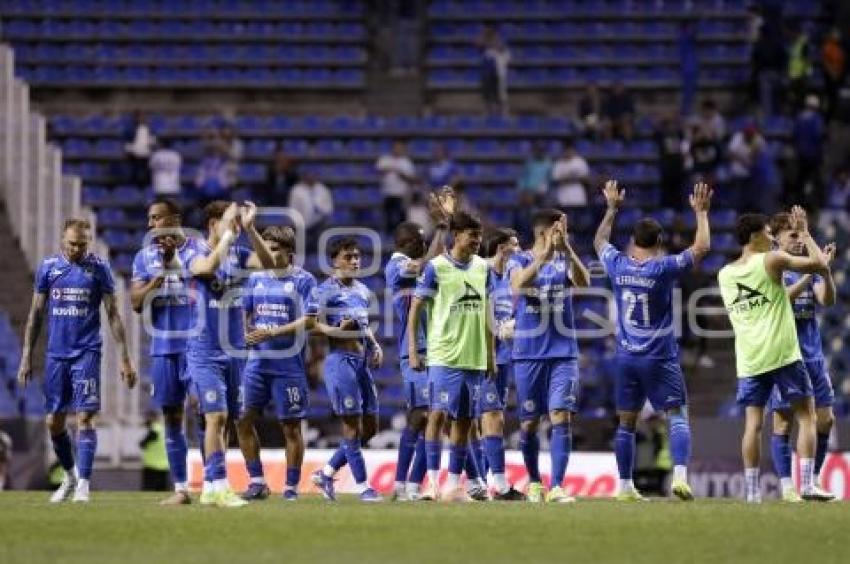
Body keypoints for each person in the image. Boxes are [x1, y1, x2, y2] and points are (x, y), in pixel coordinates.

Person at [594, 180, 713, 502]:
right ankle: (680, 477)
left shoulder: (617, 265)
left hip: (626, 356)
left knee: (626, 423)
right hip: (659, 356)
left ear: (633, 240)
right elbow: (701, 249)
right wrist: (701, 214)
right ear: (659, 243)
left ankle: (624, 486)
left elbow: (599, 240)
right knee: (676, 414)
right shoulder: (662, 267)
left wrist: (611, 208)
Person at [717, 208, 834, 503]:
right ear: (760, 236)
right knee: (798, 418)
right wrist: (807, 237)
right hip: (782, 352)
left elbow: (783, 296)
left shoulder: (726, 274)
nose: (771, 237)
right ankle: (799, 485)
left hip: (755, 358)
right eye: (770, 233)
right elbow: (815, 267)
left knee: (756, 424)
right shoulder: (774, 261)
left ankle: (755, 493)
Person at [17, 218, 137, 503]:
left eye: (82, 244)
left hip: (87, 352)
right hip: (56, 354)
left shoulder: (100, 269)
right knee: (54, 423)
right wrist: (26, 357)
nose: (76, 249)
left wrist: (125, 359)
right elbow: (35, 315)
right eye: (72, 244)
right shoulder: (48, 268)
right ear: (62, 240)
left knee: (85, 417)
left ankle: (84, 484)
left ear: (89, 241)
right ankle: (70, 477)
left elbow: (113, 315)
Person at [186, 200, 275, 508]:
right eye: (230, 220)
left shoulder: (239, 255)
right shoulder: (192, 250)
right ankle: (221, 485)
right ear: (213, 223)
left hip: (236, 351)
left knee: (224, 422)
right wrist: (228, 237)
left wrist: (250, 229)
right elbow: (206, 268)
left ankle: (211, 487)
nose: (235, 226)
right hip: (204, 349)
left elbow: (271, 264)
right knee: (216, 415)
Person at [407, 211, 495, 502]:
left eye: (479, 236)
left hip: (474, 357)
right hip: (444, 355)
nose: (477, 241)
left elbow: (488, 314)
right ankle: (431, 483)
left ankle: (454, 485)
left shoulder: (483, 268)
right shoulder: (437, 267)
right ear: (456, 235)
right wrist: (412, 352)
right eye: (472, 235)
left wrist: (490, 357)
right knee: (437, 415)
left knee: (466, 422)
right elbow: (415, 309)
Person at [508, 209, 591, 503]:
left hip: (563, 353)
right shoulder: (519, 259)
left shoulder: (563, 259)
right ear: (544, 232)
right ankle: (534, 482)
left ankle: (556, 486)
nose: (564, 233)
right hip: (529, 354)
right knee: (529, 423)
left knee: (561, 417)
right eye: (560, 229)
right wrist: (544, 256)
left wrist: (566, 248)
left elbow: (584, 283)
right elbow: (517, 285)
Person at [130, 197, 205, 505]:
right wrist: (157, 280)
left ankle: (214, 482)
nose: (151, 224)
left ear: (175, 218)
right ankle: (181, 488)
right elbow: (136, 303)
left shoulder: (200, 250)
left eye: (157, 218)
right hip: (163, 346)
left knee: (206, 412)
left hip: (198, 344)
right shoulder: (144, 257)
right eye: (149, 218)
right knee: (171, 417)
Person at [237, 226, 317, 501]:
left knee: (291, 428)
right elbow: (245, 313)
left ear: (289, 252)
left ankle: (291, 487)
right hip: (257, 364)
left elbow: (311, 320)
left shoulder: (304, 280)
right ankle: (257, 482)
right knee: (243, 420)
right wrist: (245, 333)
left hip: (288, 367)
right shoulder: (256, 278)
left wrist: (273, 331)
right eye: (265, 249)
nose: (267, 255)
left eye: (273, 249)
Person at [385, 191, 454, 501]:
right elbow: (427, 262)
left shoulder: (423, 265)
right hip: (413, 350)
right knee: (421, 416)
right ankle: (401, 484)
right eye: (418, 240)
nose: (423, 245)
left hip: (437, 349)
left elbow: (437, 261)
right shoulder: (395, 265)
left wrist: (445, 224)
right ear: (404, 243)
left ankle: (413, 485)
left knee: (433, 418)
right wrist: (442, 227)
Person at [767, 212, 837, 502]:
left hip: (813, 356)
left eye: (800, 235)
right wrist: (814, 269)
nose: (797, 240)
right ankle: (787, 486)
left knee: (826, 420)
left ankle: (814, 478)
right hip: (785, 356)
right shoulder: (773, 266)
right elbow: (784, 298)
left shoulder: (807, 264)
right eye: (792, 235)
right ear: (777, 238)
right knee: (783, 422)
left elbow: (827, 300)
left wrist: (826, 273)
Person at [309, 238, 384, 502]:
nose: (354, 261)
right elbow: (311, 325)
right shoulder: (323, 291)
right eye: (348, 257)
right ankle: (364, 488)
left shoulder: (363, 290)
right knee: (352, 425)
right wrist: (336, 329)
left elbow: (363, 325)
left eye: (357, 257)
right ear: (335, 260)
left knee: (371, 427)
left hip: (362, 361)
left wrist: (375, 345)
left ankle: (327, 473)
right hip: (340, 360)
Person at [479, 227, 524, 500]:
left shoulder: (511, 274)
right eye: (514, 244)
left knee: (493, 417)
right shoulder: (481, 272)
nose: (518, 249)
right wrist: (494, 331)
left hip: (504, 353)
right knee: (490, 417)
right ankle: (499, 483)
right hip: (484, 354)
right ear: (500, 247)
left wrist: (512, 326)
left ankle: (485, 482)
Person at [790, 95, 826, 207]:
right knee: (815, 177)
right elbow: (818, 136)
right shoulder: (816, 118)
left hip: (801, 154)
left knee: (801, 177)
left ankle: (798, 200)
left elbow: (794, 135)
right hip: (813, 154)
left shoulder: (799, 117)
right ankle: (816, 201)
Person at [377, 140, 417, 234]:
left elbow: (412, 178)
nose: (397, 149)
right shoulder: (385, 159)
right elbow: (378, 170)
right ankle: (388, 239)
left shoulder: (406, 162)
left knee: (401, 218)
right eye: (396, 147)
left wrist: (401, 174)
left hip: (401, 194)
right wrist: (389, 169)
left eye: (399, 147)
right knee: (388, 218)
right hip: (387, 194)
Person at [287, 168, 334, 246]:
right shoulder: (296, 190)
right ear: (304, 176)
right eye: (309, 175)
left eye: (313, 175)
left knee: (322, 235)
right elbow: (292, 210)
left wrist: (320, 209)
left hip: (319, 224)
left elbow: (329, 209)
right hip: (303, 225)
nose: (311, 177)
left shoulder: (323, 189)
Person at [654, 117, 687, 210]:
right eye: (669, 126)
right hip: (667, 168)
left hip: (678, 168)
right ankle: (665, 213)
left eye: (673, 125)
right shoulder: (661, 136)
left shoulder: (680, 135)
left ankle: (678, 213)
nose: (671, 128)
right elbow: (655, 133)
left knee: (678, 193)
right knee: (666, 193)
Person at [479, 24, 510, 116]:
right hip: (488, 75)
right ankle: (489, 110)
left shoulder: (505, 51)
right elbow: (478, 43)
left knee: (501, 95)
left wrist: (496, 45)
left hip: (499, 74)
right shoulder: (488, 50)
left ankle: (503, 112)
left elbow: (502, 50)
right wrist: (485, 33)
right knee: (487, 93)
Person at [551, 139, 590, 208]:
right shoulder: (559, 163)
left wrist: (573, 178)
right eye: (566, 150)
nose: (568, 152)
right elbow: (555, 179)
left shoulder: (580, 161)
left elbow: (586, 179)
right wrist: (569, 178)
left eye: (570, 150)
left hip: (577, 195)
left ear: (573, 150)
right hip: (563, 196)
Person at [139, 411, 170, 492]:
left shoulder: (154, 430)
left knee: (148, 488)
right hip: (164, 464)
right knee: (162, 489)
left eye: (147, 417)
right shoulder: (162, 429)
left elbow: (142, 444)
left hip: (152, 465)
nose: (145, 420)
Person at [124, 110, 155, 187]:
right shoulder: (130, 129)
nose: (142, 118)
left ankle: (146, 189)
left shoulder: (150, 129)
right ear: (136, 118)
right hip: (135, 155)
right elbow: (127, 142)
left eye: (143, 116)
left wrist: (152, 149)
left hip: (147, 155)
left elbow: (153, 141)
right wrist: (129, 152)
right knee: (134, 174)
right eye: (139, 117)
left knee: (148, 174)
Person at [821, 29, 845, 120]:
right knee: (829, 96)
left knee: (834, 97)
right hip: (829, 76)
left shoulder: (839, 48)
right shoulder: (828, 47)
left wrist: (838, 74)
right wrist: (832, 73)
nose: (839, 37)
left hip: (837, 76)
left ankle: (833, 115)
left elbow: (841, 63)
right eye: (836, 35)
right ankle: (827, 116)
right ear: (832, 36)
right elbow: (826, 62)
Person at [679, 21, 699, 117]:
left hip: (690, 65)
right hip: (688, 67)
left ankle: (687, 110)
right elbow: (693, 33)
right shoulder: (684, 36)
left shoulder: (685, 36)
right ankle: (685, 111)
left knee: (691, 90)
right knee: (688, 90)